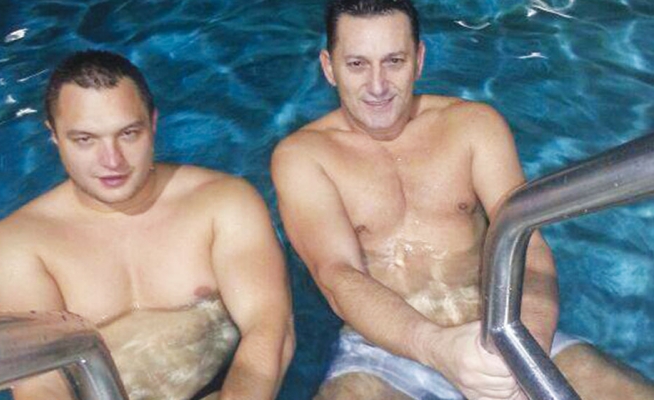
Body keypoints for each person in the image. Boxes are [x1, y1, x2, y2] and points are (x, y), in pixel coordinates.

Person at [271, 0, 654, 399]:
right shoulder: (304, 156)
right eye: (357, 65)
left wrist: (524, 349)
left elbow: (528, 243)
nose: (378, 85)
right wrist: (436, 347)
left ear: (419, 60)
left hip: (499, 326)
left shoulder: (473, 126)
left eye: (394, 61)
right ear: (329, 67)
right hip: (384, 352)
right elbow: (338, 274)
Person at [0, 50, 294, 400]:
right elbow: (41, 384)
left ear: (153, 123)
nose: (112, 160)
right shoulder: (19, 244)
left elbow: (269, 328)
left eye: (128, 133)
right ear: (53, 135)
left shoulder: (222, 204)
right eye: (85, 139)